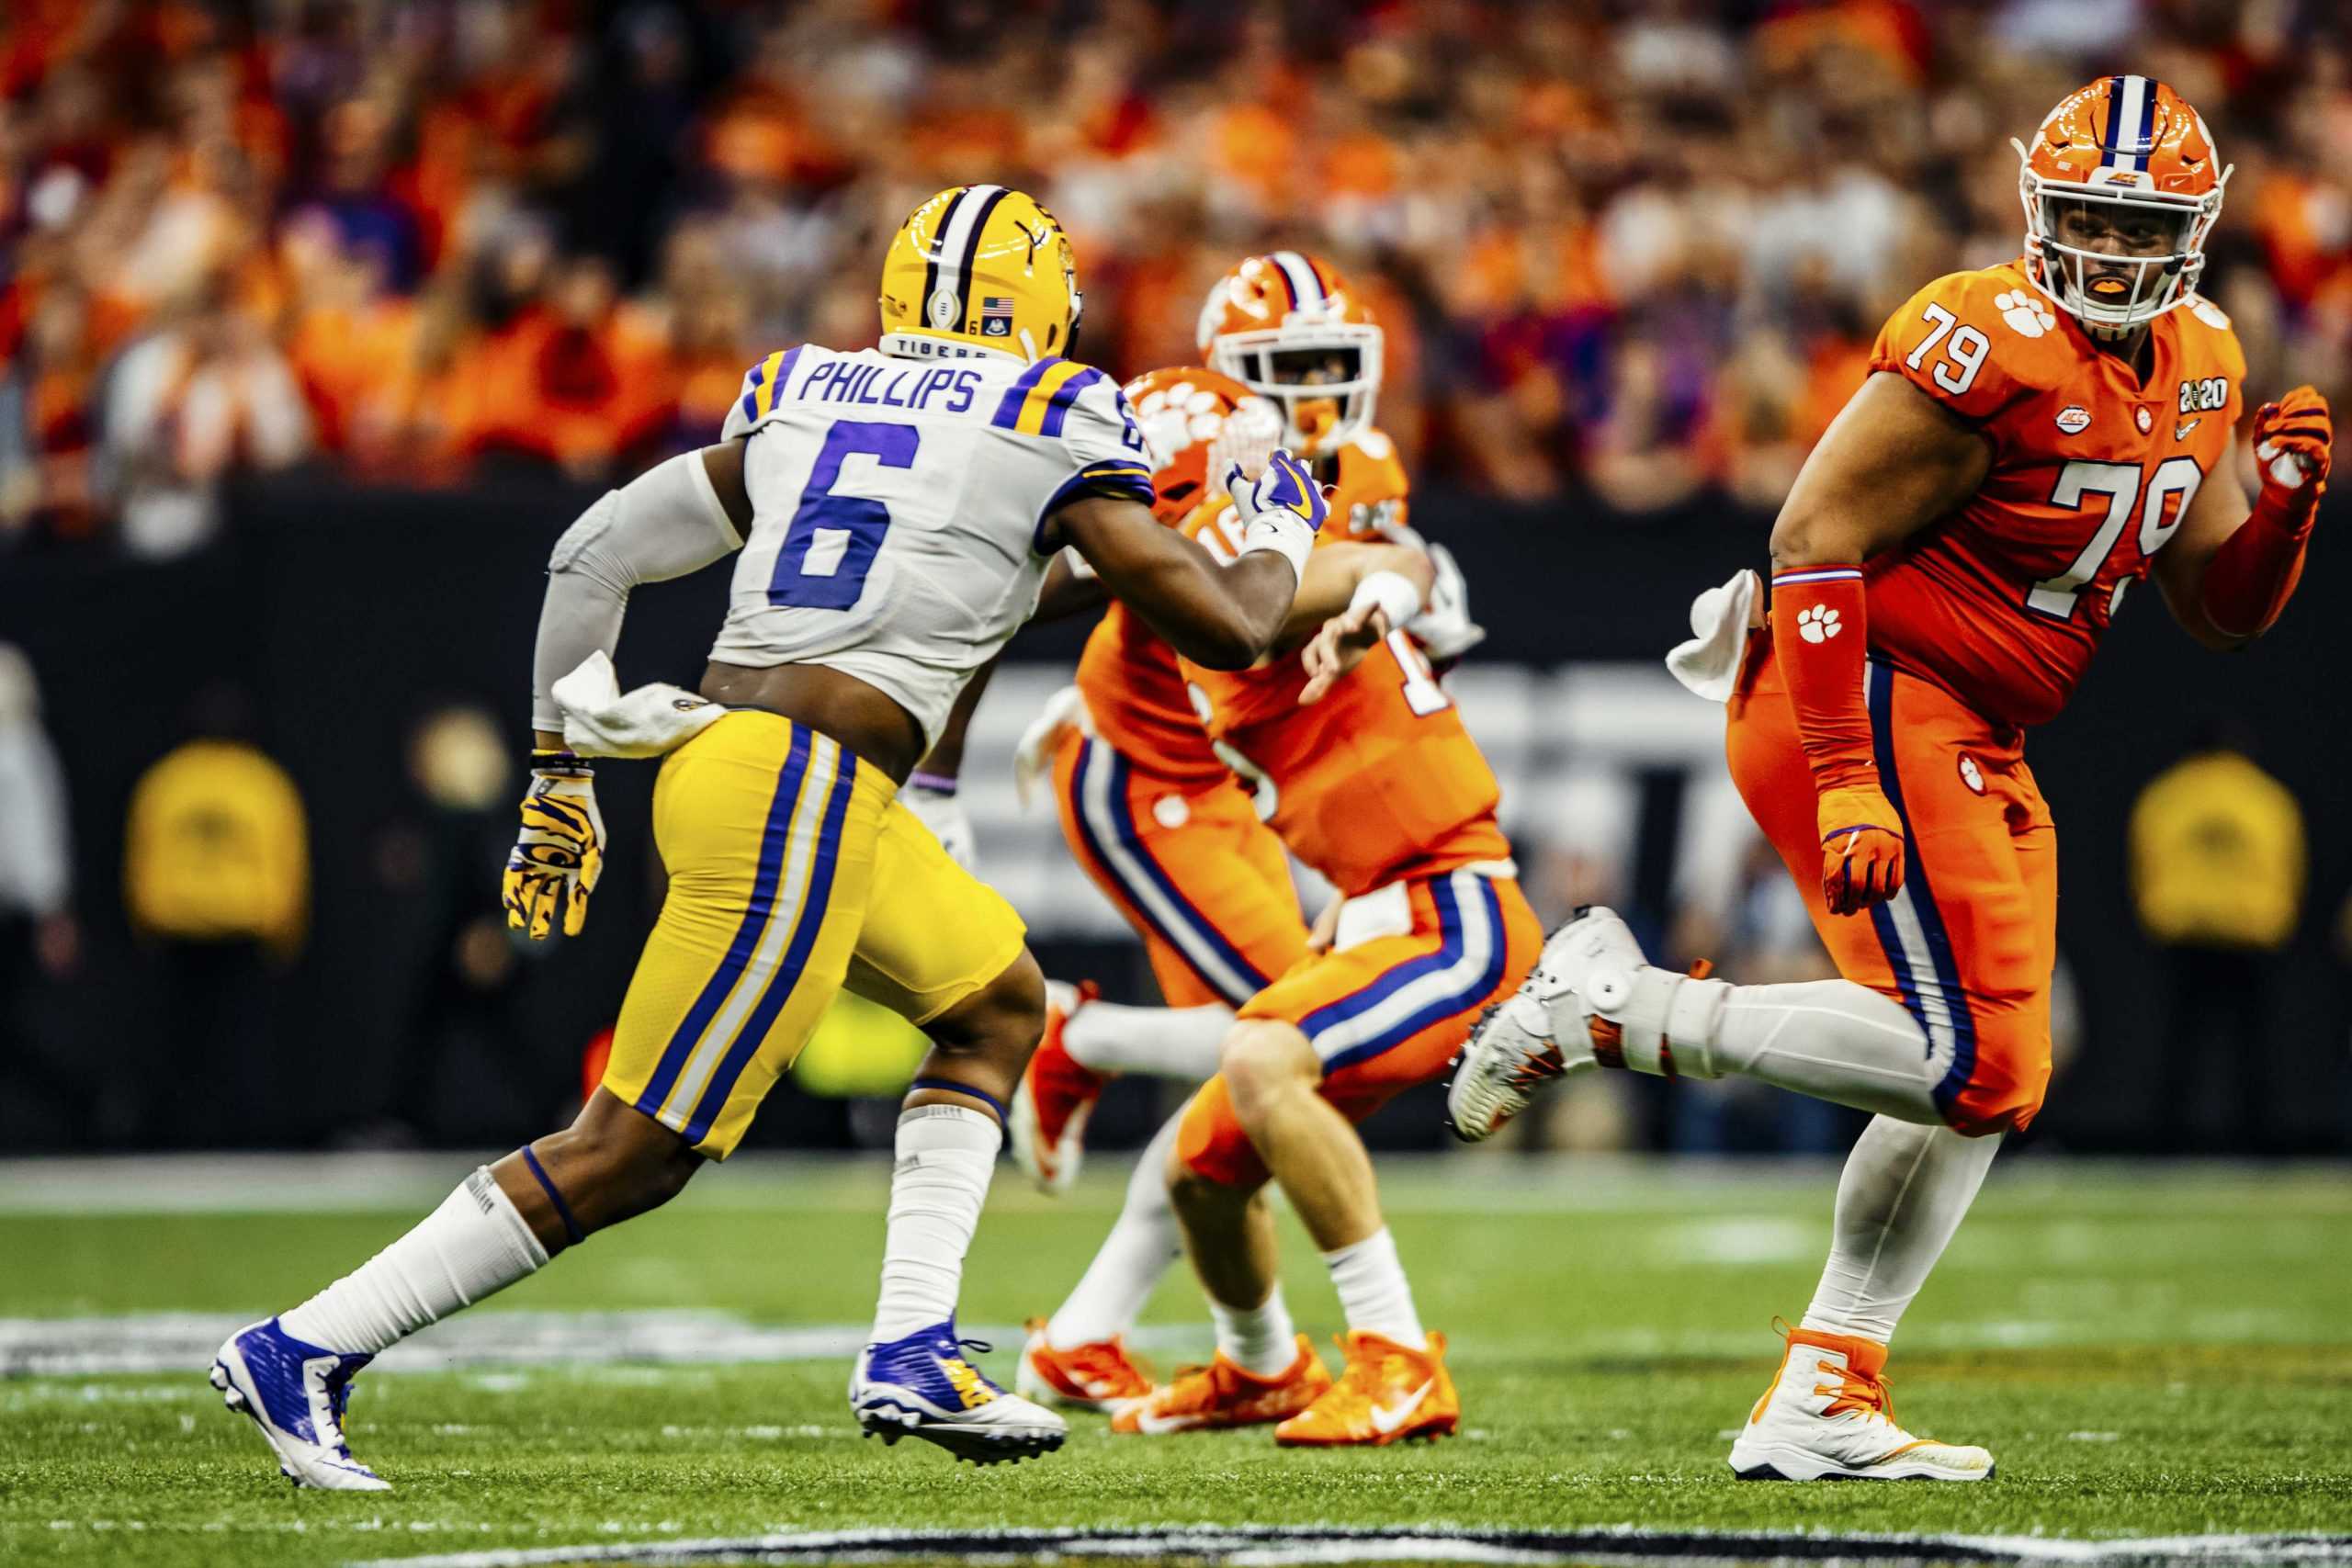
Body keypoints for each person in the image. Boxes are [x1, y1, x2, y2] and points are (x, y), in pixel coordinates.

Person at [207, 184, 1324, 1488]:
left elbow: (592, 553)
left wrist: (559, 771)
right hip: (802, 786)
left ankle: (911, 1342)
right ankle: (307, 1344)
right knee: (633, 1144)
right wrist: (1281, 521)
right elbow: (1233, 630)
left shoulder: (813, 386)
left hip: (759, 764)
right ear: (1039, 305)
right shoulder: (1050, 410)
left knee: (997, 1005)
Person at [1451, 77, 2327, 1481]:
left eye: (2140, 224)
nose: (2109, 252)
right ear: (2040, 213)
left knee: (1996, 1073)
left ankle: (1824, 1387)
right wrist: (1850, 772)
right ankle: (1615, 1005)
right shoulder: (1985, 335)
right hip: (1863, 695)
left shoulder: (2206, 356)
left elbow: (2221, 609)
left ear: (2197, 230)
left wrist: (2278, 521)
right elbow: (1811, 535)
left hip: (1974, 726)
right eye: (2089, 219)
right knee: (1970, 1057)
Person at [2129, 720, 2305, 1152]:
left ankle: (2168, 1142)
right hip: (2249, 936)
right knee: (2253, 1047)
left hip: (2186, 935)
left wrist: (2161, 914)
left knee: (2180, 1045)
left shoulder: (2167, 795)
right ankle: (2257, 1142)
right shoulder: (2266, 796)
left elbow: (2147, 859)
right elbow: (2286, 864)